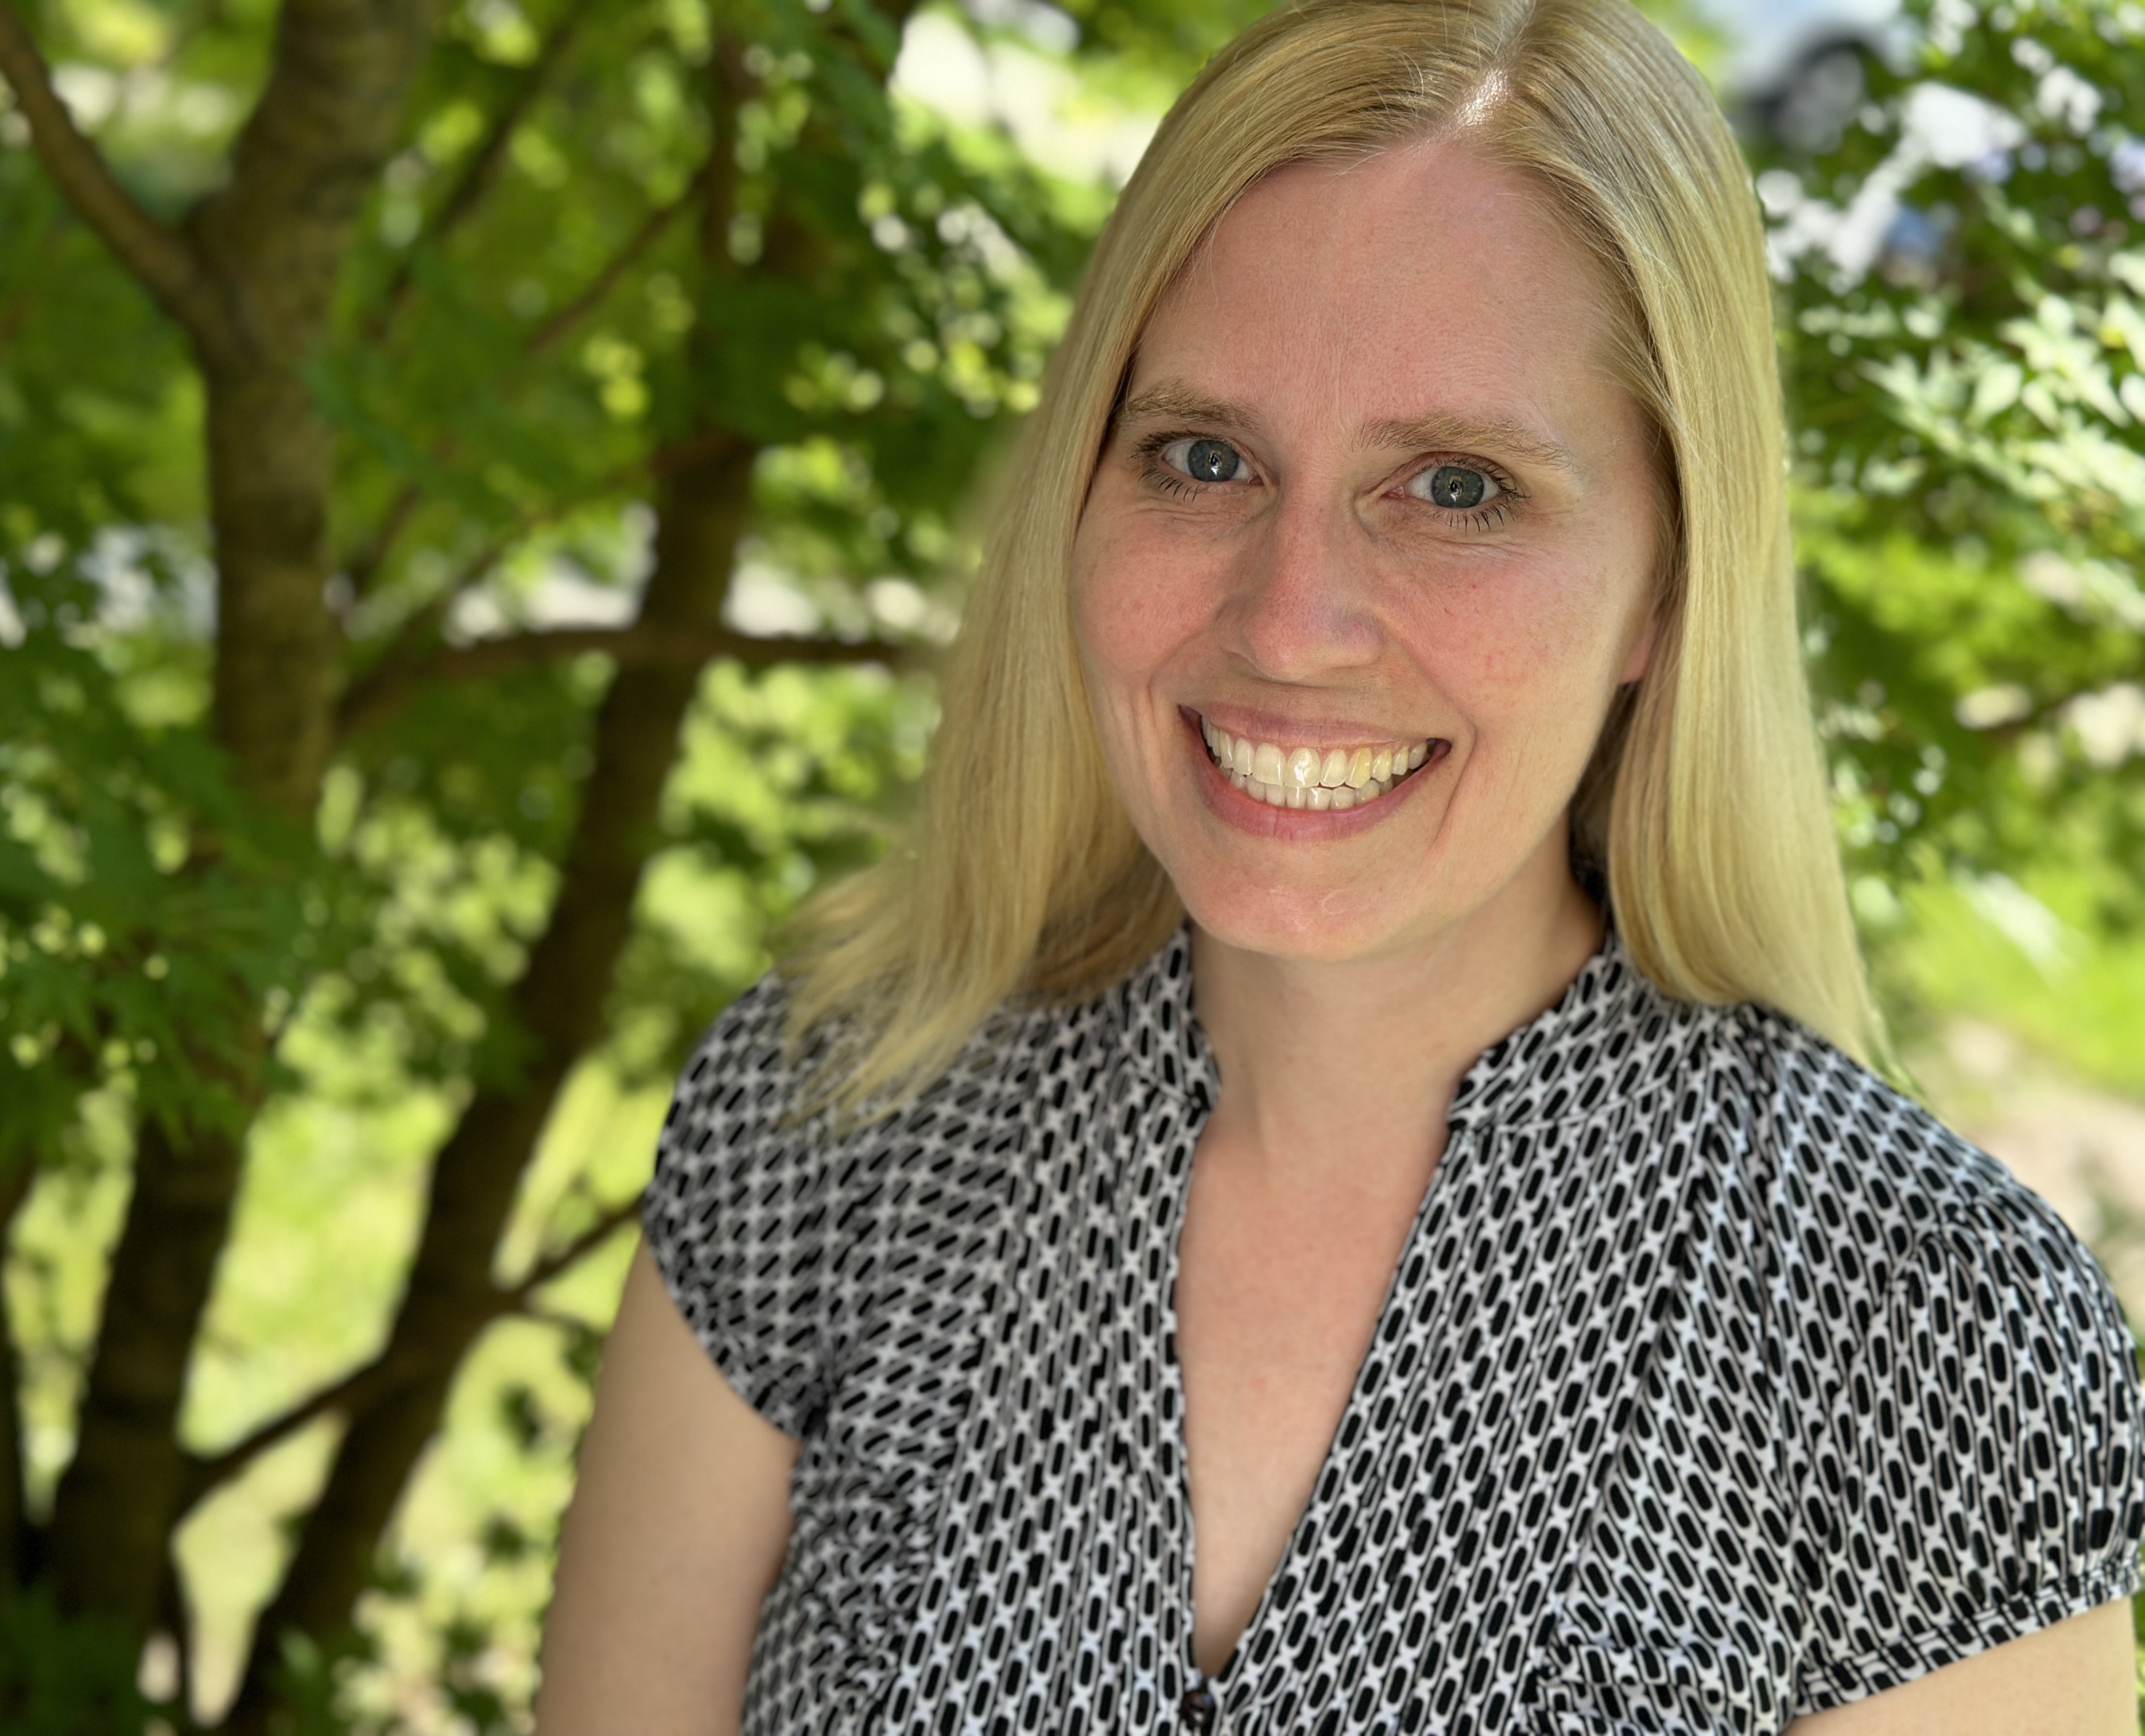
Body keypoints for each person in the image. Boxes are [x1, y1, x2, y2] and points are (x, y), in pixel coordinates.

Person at [535, 0, 2145, 1727]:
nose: (1290, 625)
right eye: (1205, 459)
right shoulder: (839, 1118)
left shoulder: (1931, 1332)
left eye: (1455, 487)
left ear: (1669, 584)